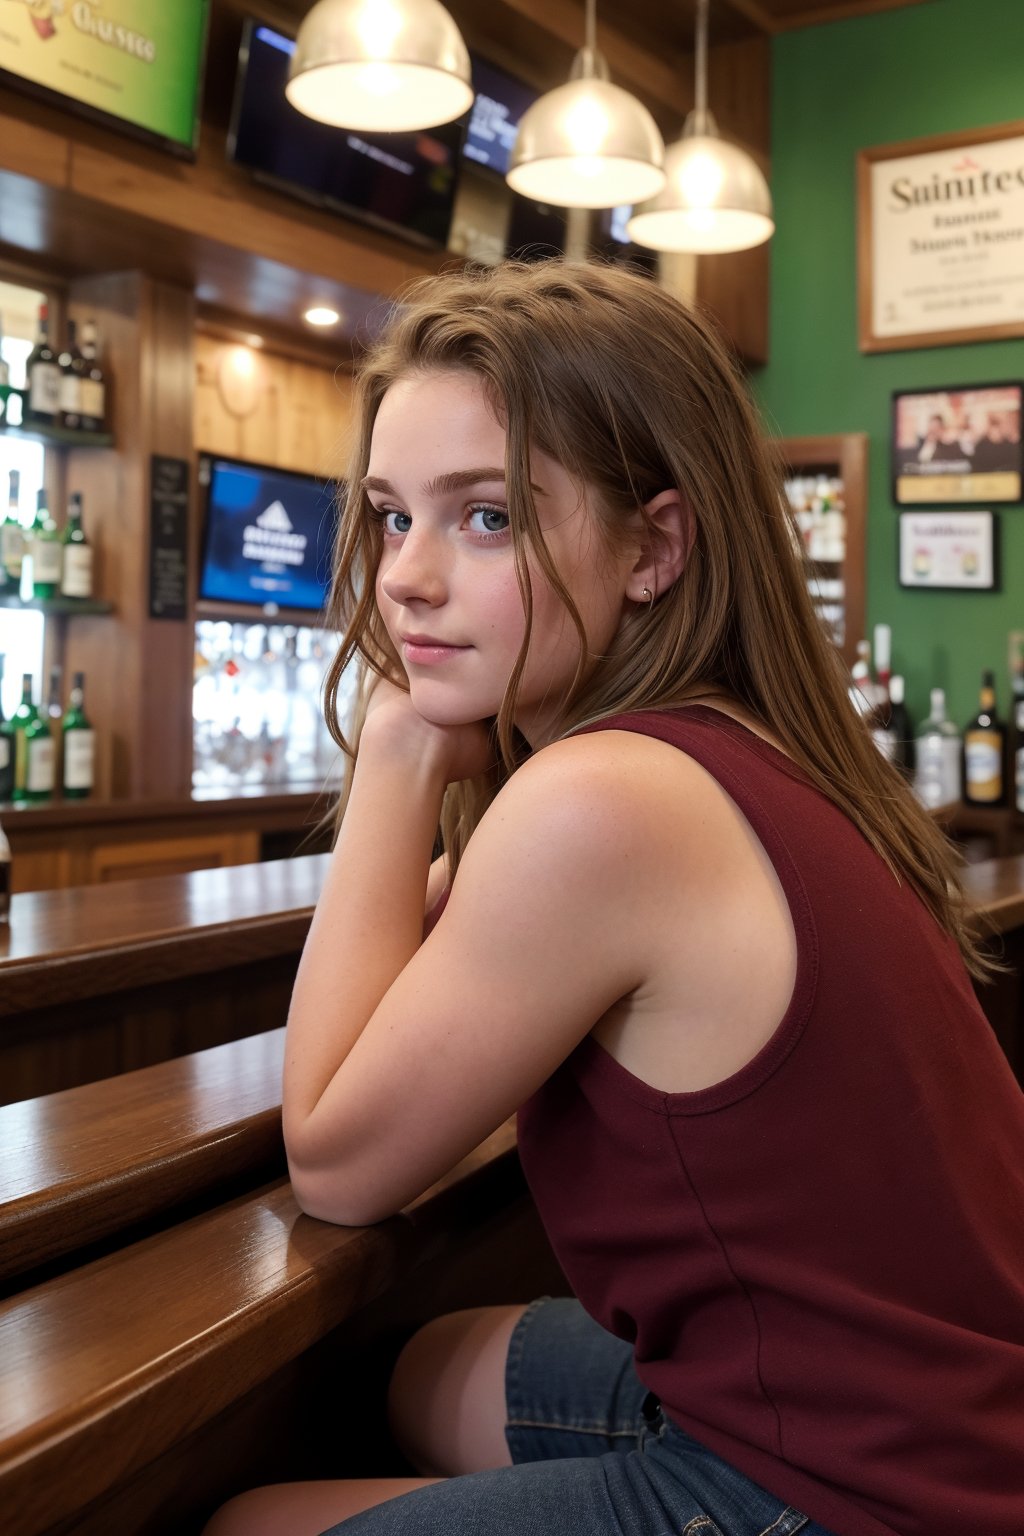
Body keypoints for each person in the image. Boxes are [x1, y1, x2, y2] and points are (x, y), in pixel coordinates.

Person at [203, 260, 1024, 1536]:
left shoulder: (601, 801)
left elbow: (338, 1158)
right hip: (941, 1412)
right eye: (388, 515)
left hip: (856, 1490)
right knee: (404, 1371)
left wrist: (401, 755)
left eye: (483, 518)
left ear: (655, 545)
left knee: (244, 1522)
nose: (406, 578)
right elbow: (415, 967)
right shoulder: (727, 740)